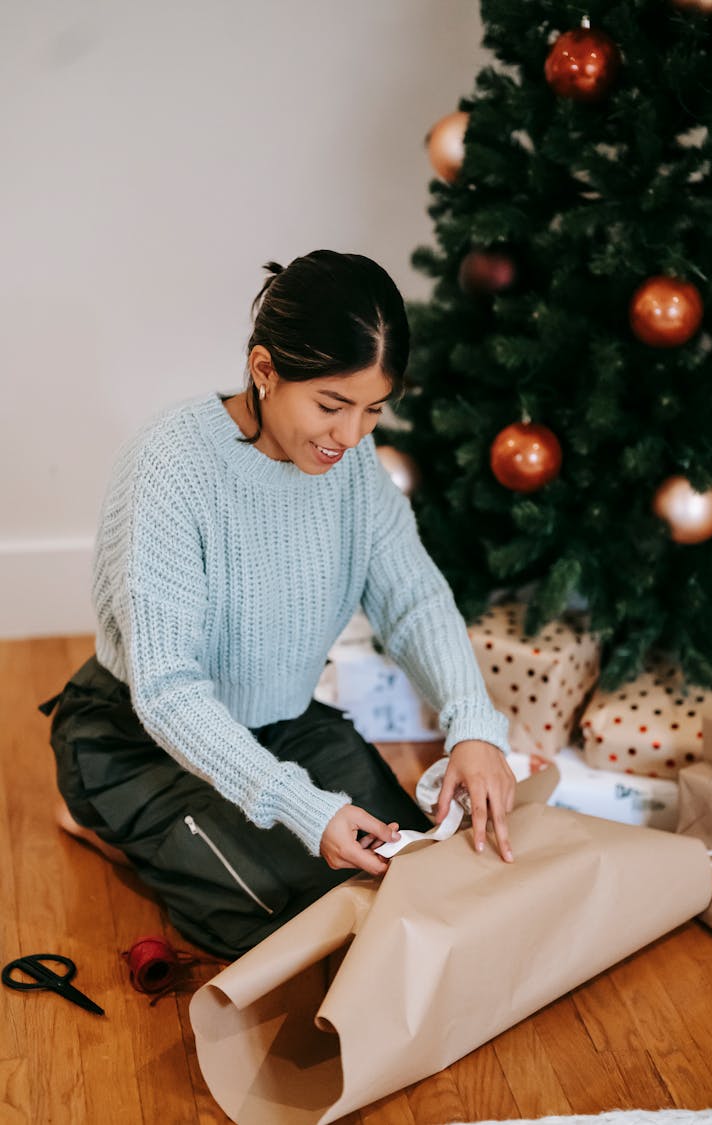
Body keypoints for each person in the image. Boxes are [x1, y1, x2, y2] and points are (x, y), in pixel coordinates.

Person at [41, 250, 516, 960]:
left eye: (372, 410)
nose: (351, 437)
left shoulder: (351, 466)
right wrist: (300, 804)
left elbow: (414, 598)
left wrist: (473, 724)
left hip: (280, 719)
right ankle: (98, 815)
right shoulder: (171, 467)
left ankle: (208, 826)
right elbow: (167, 691)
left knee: (405, 867)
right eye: (331, 404)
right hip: (134, 734)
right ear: (264, 370)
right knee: (291, 921)